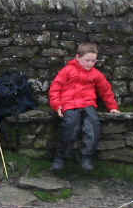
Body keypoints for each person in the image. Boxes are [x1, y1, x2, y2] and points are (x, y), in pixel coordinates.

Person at [48, 42, 120, 171]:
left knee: (94, 126)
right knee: (70, 126)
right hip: (69, 104)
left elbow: (106, 91)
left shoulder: (96, 74)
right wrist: (57, 105)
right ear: (77, 57)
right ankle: (60, 158)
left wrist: (112, 107)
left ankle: (86, 157)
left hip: (88, 105)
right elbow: (55, 88)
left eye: (93, 61)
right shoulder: (67, 71)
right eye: (87, 60)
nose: (90, 64)